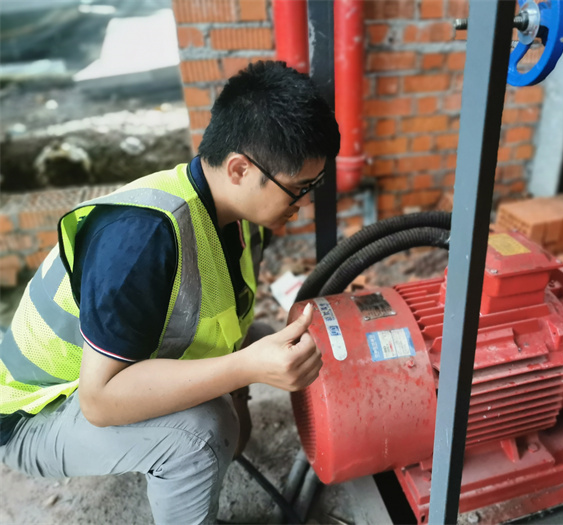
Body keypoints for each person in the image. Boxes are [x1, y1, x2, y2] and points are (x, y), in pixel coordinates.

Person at [0, 60, 341, 524]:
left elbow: (228, 328)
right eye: (298, 189)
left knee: (261, 339)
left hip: (99, 383)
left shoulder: (239, 217)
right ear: (240, 168)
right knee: (201, 433)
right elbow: (99, 402)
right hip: (35, 417)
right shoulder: (142, 239)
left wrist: (242, 376)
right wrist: (242, 372)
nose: (301, 206)